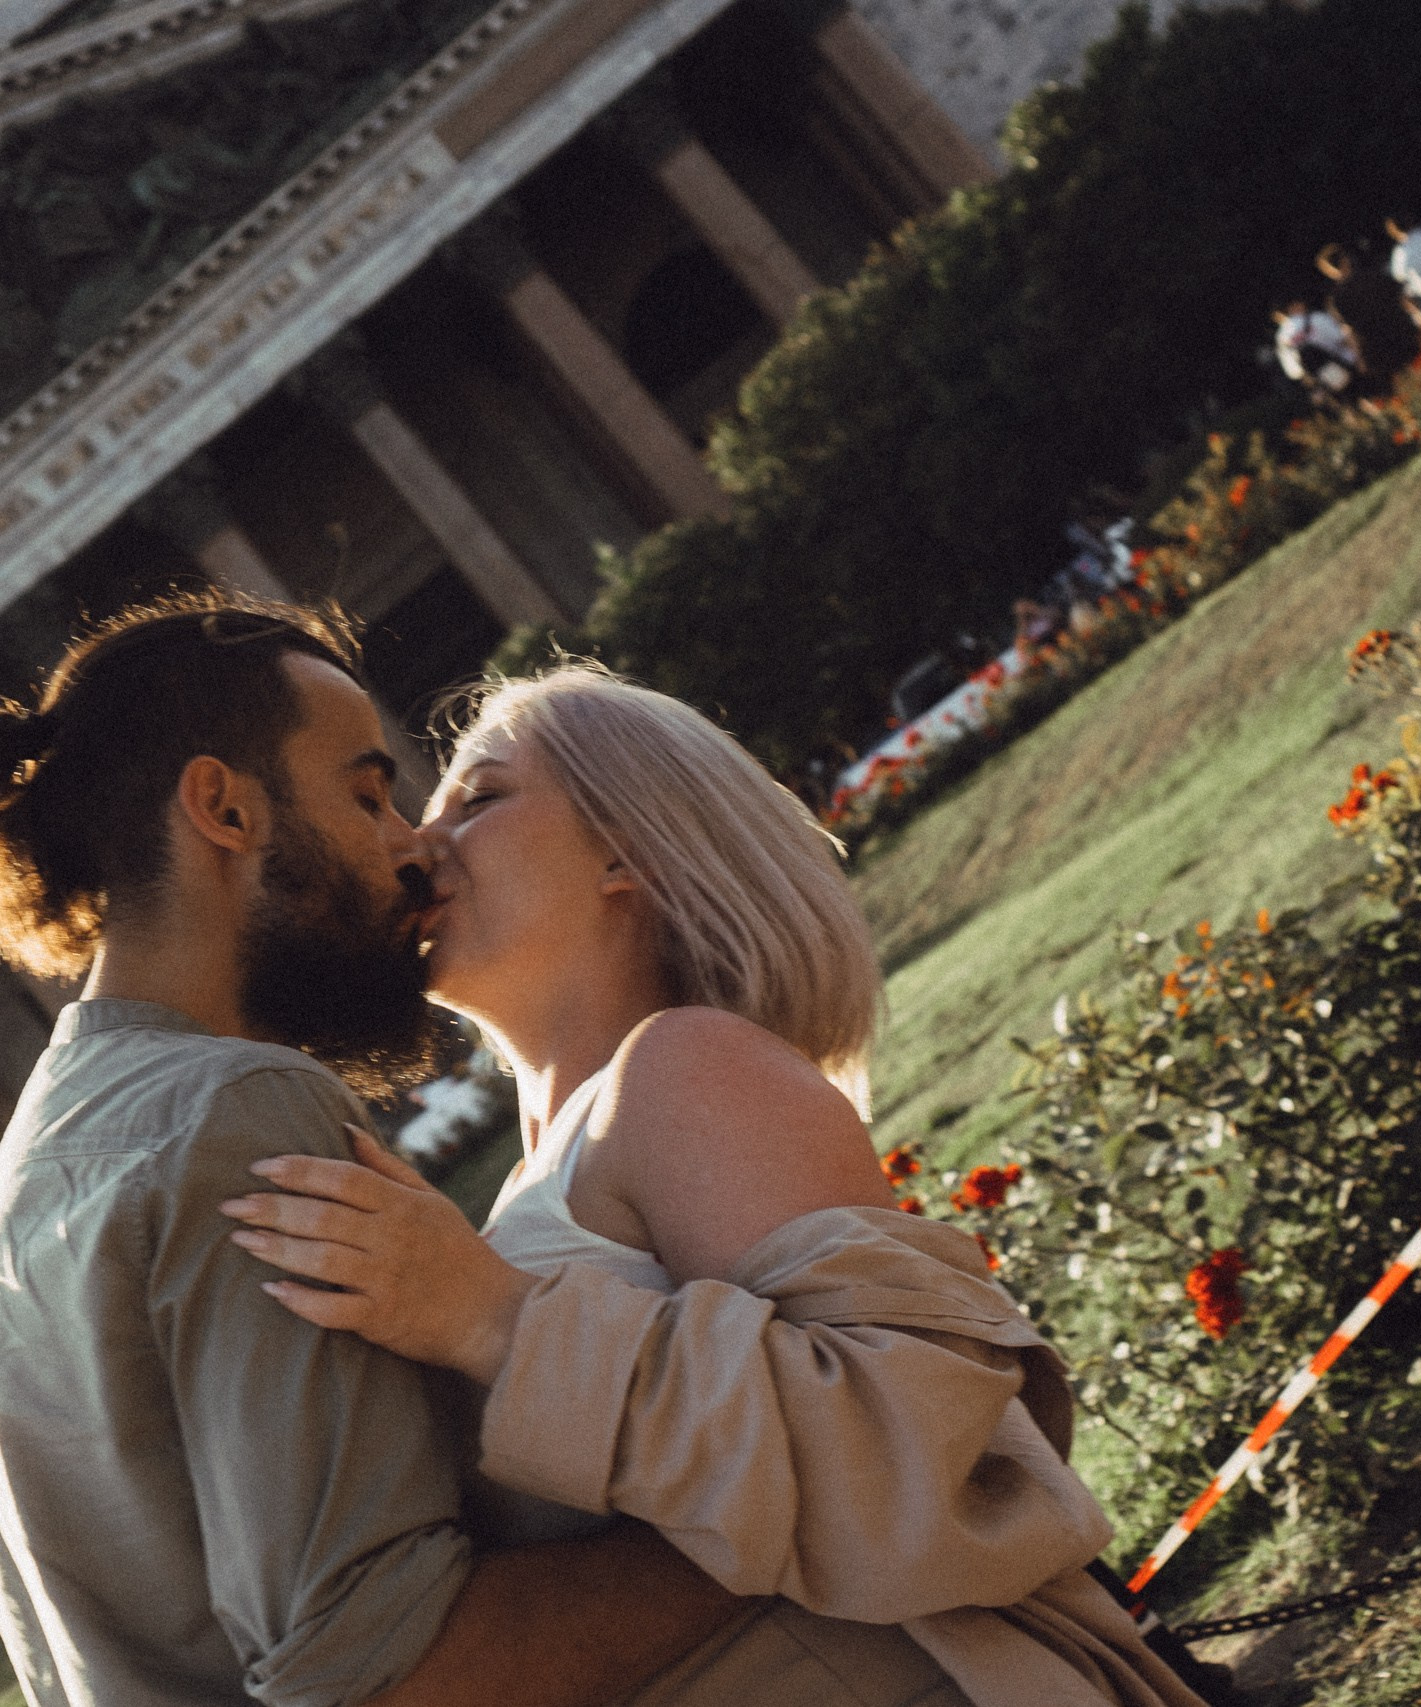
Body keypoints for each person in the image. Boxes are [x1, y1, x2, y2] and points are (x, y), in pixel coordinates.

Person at [222, 666, 1208, 1707]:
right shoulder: (547, 1166)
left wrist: (495, 1322)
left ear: (626, 848)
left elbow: (919, 1460)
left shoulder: (686, 1070)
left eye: (480, 798)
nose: (420, 845)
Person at [0, 594, 765, 1707]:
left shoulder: (37, 1170)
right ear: (222, 808)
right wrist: (788, 1525)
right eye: (367, 793)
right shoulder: (233, 1108)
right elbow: (386, 1674)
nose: (412, 846)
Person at [1315, 241, 1420, 377]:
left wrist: (1360, 358)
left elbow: (1349, 330)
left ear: (1329, 271)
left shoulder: (1336, 300)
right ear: (1345, 259)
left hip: (1378, 347)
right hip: (1403, 328)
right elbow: (1403, 298)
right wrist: (1419, 316)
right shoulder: (1371, 275)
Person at [1272, 300, 1360, 396]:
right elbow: (1343, 338)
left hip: (1327, 383)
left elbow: (1294, 372)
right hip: (1350, 365)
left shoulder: (1281, 337)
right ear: (1294, 305)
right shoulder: (1316, 318)